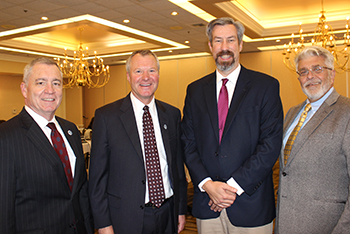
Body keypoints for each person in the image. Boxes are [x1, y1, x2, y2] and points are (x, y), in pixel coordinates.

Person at [181, 17, 283, 233]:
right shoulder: (195, 90)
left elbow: (270, 145)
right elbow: (187, 143)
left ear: (240, 44)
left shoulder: (265, 86)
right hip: (207, 204)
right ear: (210, 46)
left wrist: (231, 189)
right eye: (218, 41)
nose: (224, 48)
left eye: (230, 40)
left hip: (251, 205)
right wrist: (208, 185)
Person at [88, 50, 187, 234]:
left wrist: (181, 210)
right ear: (128, 76)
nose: (146, 78)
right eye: (138, 71)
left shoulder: (172, 114)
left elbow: (177, 169)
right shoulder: (106, 117)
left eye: (151, 70)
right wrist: (102, 224)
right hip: (125, 218)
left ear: (158, 74)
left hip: (167, 213)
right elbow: (97, 179)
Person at [0, 57, 93, 233]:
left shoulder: (70, 130)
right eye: (41, 82)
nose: (50, 90)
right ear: (24, 89)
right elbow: (3, 212)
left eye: (56, 83)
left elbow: (80, 193)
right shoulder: (6, 137)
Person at [275, 46, 350, 234]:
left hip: (328, 225)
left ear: (332, 74)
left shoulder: (346, 111)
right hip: (285, 222)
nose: (310, 76)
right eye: (303, 71)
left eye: (317, 69)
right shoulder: (292, 113)